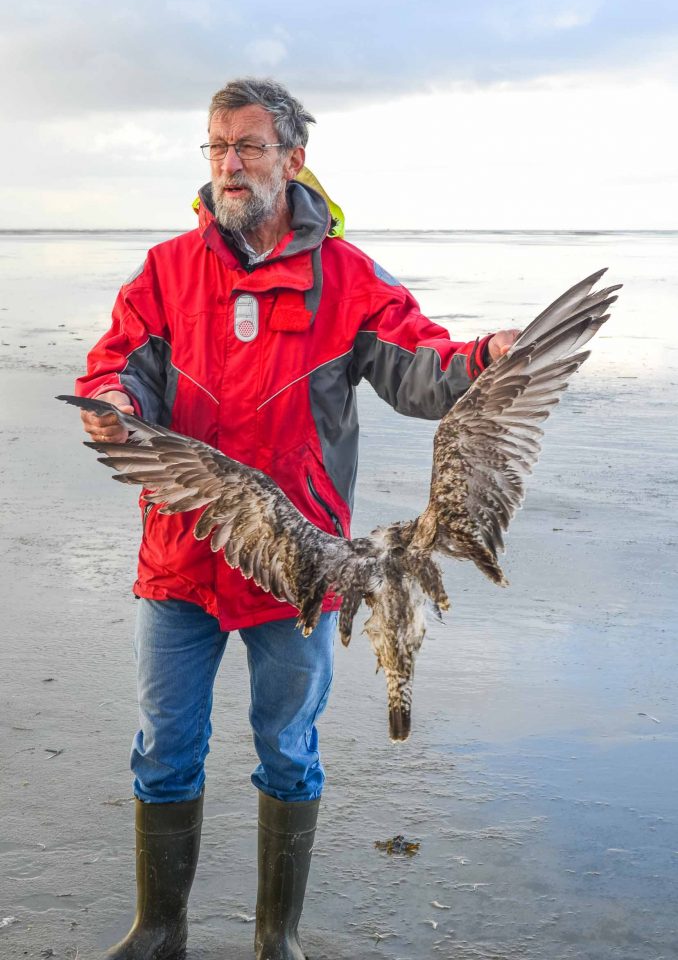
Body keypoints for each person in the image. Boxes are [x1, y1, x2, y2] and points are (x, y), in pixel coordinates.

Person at [76, 77, 519, 960]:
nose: (230, 164)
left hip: (302, 573)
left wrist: (482, 359)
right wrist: (109, 399)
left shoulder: (346, 279)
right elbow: (117, 363)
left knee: (288, 747)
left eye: (247, 146)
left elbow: (419, 361)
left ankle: (276, 941)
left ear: (293, 158)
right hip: (182, 557)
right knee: (164, 749)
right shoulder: (167, 271)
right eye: (216, 147)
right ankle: (158, 931)